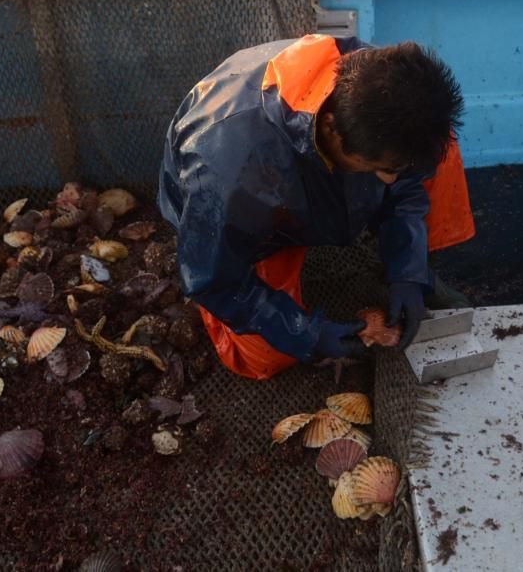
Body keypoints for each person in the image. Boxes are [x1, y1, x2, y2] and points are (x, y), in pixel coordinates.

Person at [157, 34, 475, 380]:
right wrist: (307, 333)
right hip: (247, 215)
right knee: (264, 358)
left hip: (320, 168)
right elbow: (211, 279)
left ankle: (421, 268)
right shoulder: (226, 171)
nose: (389, 180)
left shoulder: (382, 88)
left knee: (440, 148)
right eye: (379, 168)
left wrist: (408, 271)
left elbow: (407, 183)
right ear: (330, 129)